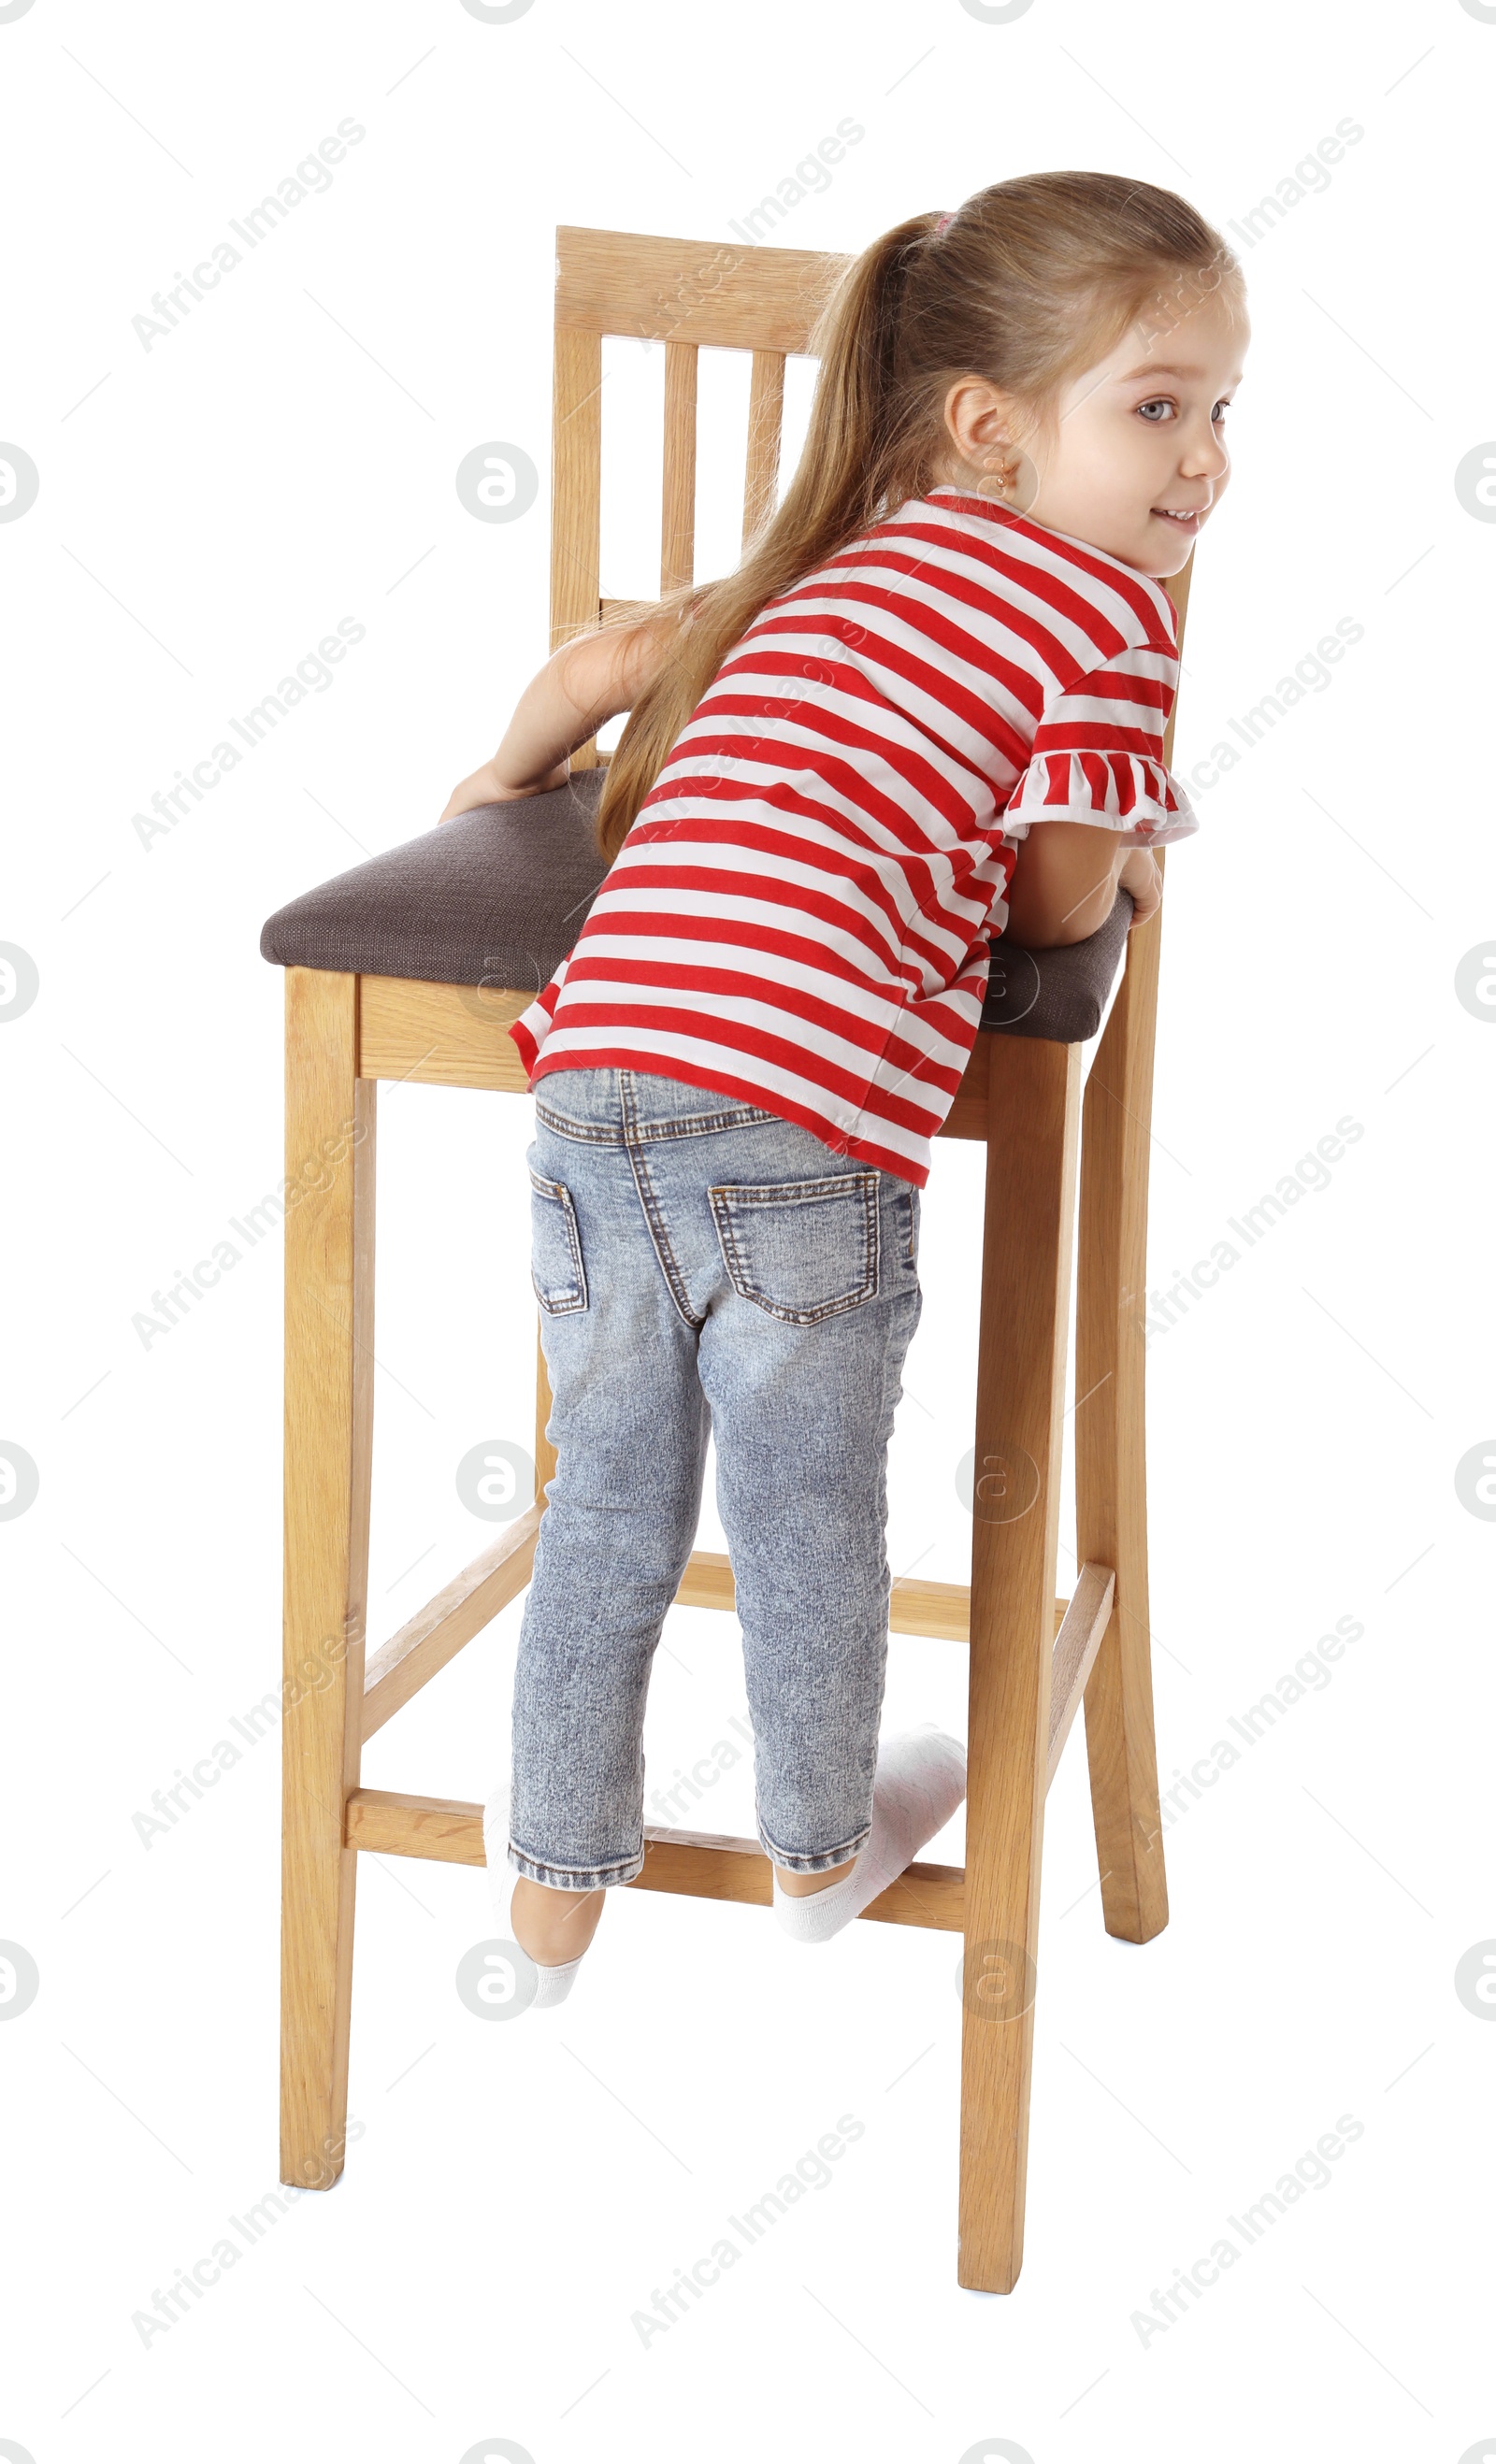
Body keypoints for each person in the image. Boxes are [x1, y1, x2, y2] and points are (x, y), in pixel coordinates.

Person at [440, 170, 1249, 2005]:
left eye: (1216, 412)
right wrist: (1112, 852)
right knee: (805, 1509)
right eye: (1154, 406)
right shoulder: (1107, 619)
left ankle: (549, 1900)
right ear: (987, 424)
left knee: (606, 1495)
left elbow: (599, 664)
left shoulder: (817, 554)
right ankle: (820, 1844)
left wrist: (496, 784)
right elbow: (1047, 907)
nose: (1198, 462)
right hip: (793, 1116)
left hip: (591, 1074)